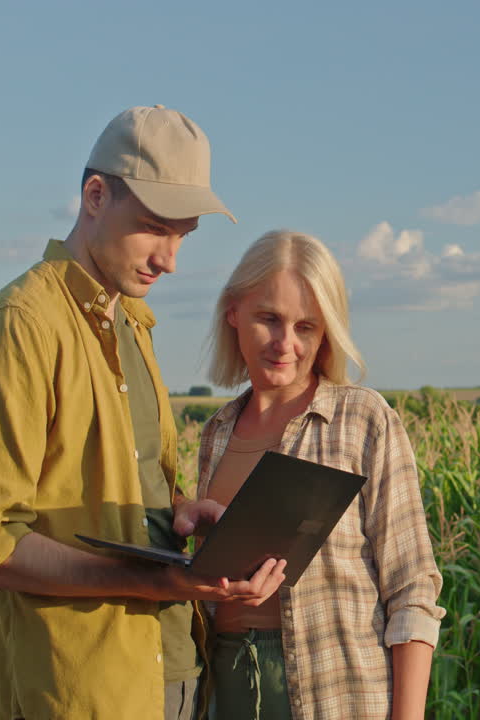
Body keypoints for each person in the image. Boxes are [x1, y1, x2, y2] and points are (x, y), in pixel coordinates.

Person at [0, 105, 287, 720]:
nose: (170, 259)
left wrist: (180, 514)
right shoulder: (22, 325)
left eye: (183, 235)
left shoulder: (132, 320)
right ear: (95, 195)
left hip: (179, 665)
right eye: (154, 228)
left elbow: (129, 479)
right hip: (85, 688)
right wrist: (154, 581)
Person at [177, 230, 445, 719]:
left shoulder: (364, 420)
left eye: (307, 326)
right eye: (269, 319)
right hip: (229, 683)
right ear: (233, 312)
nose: (286, 344)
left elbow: (413, 591)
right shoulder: (215, 434)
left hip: (337, 693)